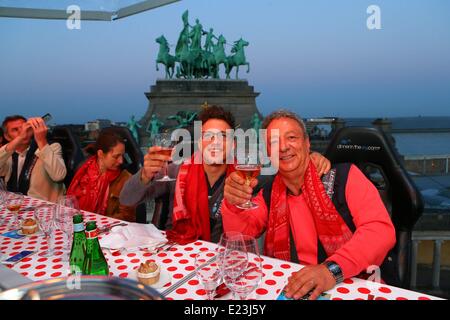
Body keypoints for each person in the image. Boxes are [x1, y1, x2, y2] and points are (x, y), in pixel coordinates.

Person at [222, 109, 396, 300]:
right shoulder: (269, 192)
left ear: (307, 143)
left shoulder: (346, 178)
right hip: (293, 288)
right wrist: (233, 203)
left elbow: (380, 231)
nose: (283, 147)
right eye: (273, 142)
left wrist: (330, 270)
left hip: (351, 284)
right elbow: (240, 233)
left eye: (292, 137)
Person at [120, 106, 331, 244]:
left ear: (234, 143)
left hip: (223, 260)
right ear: (199, 142)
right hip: (177, 254)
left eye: (223, 136)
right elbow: (126, 199)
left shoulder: (247, 177)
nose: (215, 142)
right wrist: (144, 175)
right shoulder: (174, 170)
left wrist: (310, 158)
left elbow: (285, 173)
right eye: (208, 136)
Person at [67, 130, 135, 222]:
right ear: (100, 154)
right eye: (116, 156)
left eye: (122, 155)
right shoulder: (84, 171)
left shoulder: (126, 179)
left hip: (109, 231)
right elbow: (71, 206)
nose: (121, 161)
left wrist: (98, 222)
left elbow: (128, 217)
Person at [0, 115, 67, 202]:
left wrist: (41, 140)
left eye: (24, 128)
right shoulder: (8, 155)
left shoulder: (52, 147)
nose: (22, 132)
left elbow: (59, 176)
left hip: (46, 207)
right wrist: (20, 138)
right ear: (7, 136)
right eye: (15, 130)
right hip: (17, 204)